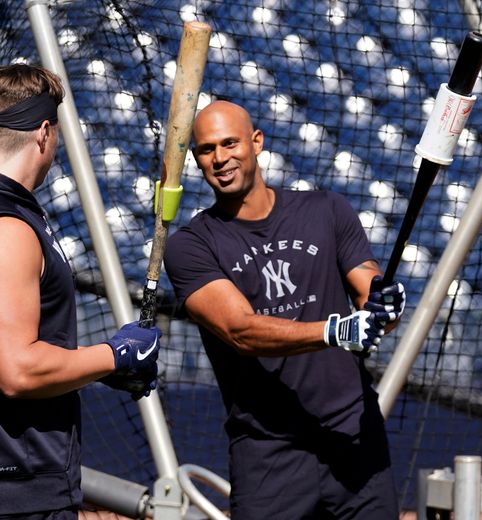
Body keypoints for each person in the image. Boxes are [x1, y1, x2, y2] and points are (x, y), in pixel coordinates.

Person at [0, 64, 160, 519]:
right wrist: (116, 355)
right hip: (15, 492)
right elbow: (17, 370)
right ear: (44, 133)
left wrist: (91, 368)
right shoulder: (1, 226)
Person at [163, 100, 406, 519]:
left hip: (354, 438)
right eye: (206, 150)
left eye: (230, 143)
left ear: (256, 143)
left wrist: (386, 306)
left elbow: (369, 292)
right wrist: (333, 332)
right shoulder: (191, 245)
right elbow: (241, 330)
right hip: (268, 452)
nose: (220, 158)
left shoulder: (326, 210)